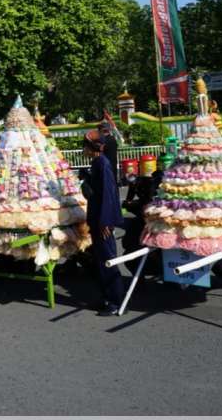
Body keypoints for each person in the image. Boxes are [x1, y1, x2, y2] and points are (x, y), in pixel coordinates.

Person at [82, 129, 126, 316]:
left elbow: (109, 195)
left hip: (103, 222)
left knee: (108, 260)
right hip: (97, 220)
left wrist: (106, 222)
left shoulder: (103, 164)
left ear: (91, 147)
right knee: (100, 261)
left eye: (84, 145)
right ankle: (107, 297)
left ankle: (116, 301)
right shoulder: (97, 163)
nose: (82, 149)